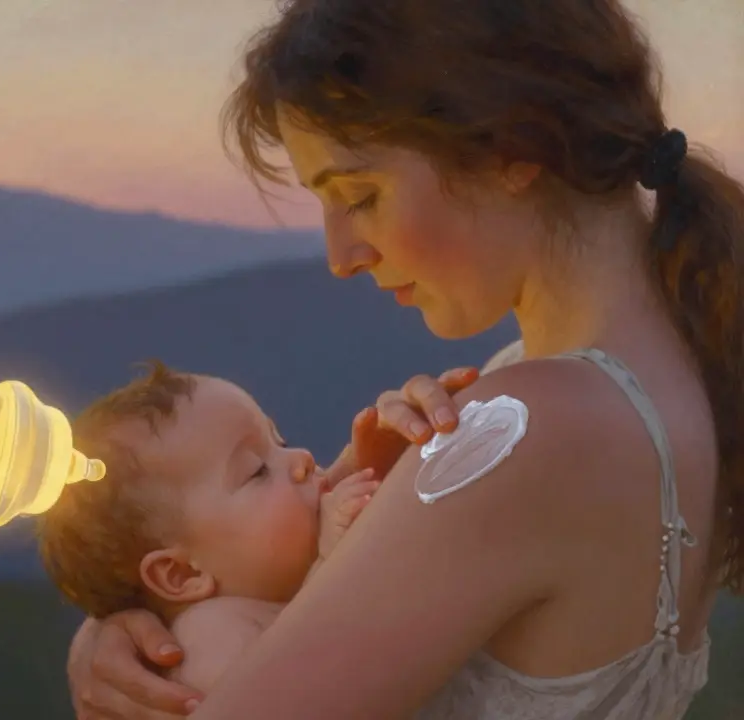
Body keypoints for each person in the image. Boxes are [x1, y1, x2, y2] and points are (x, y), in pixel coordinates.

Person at [64, 0, 744, 717]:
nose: (340, 257)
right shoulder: (677, 364)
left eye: (359, 196)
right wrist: (146, 620)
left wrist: (164, 656)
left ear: (511, 147)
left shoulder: (521, 432)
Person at [38, 362, 476, 693]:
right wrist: (334, 567)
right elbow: (315, 695)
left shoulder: (265, 600)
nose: (302, 457)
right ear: (183, 574)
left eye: (279, 441)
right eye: (257, 471)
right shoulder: (208, 637)